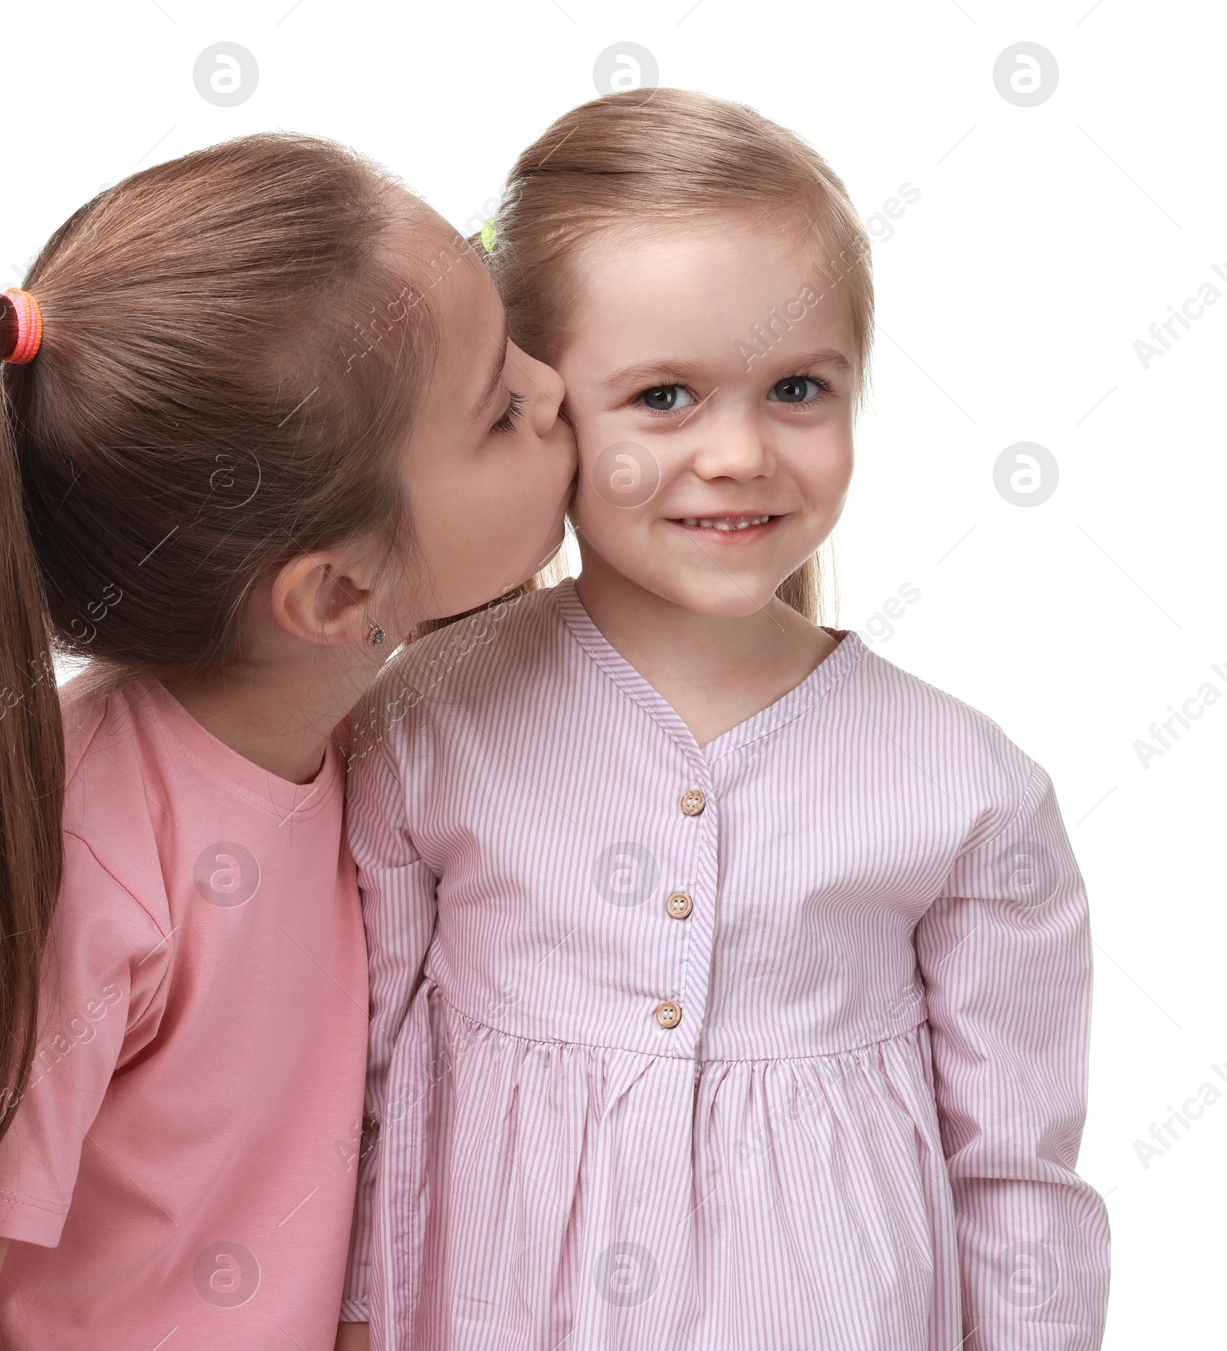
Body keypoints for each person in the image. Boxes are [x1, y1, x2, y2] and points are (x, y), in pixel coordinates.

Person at [337, 90, 1111, 1350]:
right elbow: (351, 1089)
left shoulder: (966, 786)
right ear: (539, 409)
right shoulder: (424, 723)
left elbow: (1016, 1172)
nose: (741, 451)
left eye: (797, 387)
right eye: (665, 397)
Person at [0, 131, 576, 1351]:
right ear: (330, 595)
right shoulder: (95, 848)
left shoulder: (388, 741)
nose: (556, 389)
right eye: (498, 411)